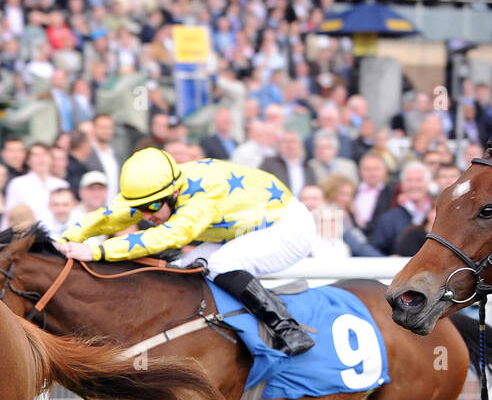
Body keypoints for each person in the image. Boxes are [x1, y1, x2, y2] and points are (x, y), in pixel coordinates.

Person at [56, 147, 316, 355]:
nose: (146, 215)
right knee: (186, 268)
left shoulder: (202, 197)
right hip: (243, 228)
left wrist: (97, 251)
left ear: (175, 192)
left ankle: (287, 328)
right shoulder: (160, 191)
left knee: (222, 263)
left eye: (152, 207)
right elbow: (112, 216)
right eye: (141, 207)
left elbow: (172, 235)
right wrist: (66, 238)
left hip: (287, 226)